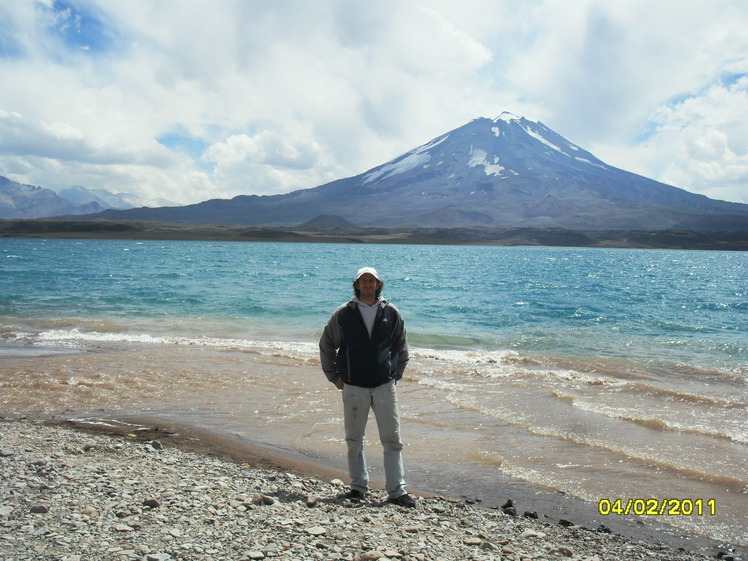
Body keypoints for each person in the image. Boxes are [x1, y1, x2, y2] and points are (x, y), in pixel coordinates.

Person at [319, 267, 415, 507]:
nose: (368, 285)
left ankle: (396, 491)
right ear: (357, 284)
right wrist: (334, 377)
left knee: (392, 439)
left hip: (384, 386)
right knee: (354, 438)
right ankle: (358, 487)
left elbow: (402, 346)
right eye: (364, 281)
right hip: (353, 387)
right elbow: (327, 344)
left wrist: (396, 375)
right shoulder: (343, 314)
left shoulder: (391, 313)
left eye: (371, 281)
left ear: (378, 284)